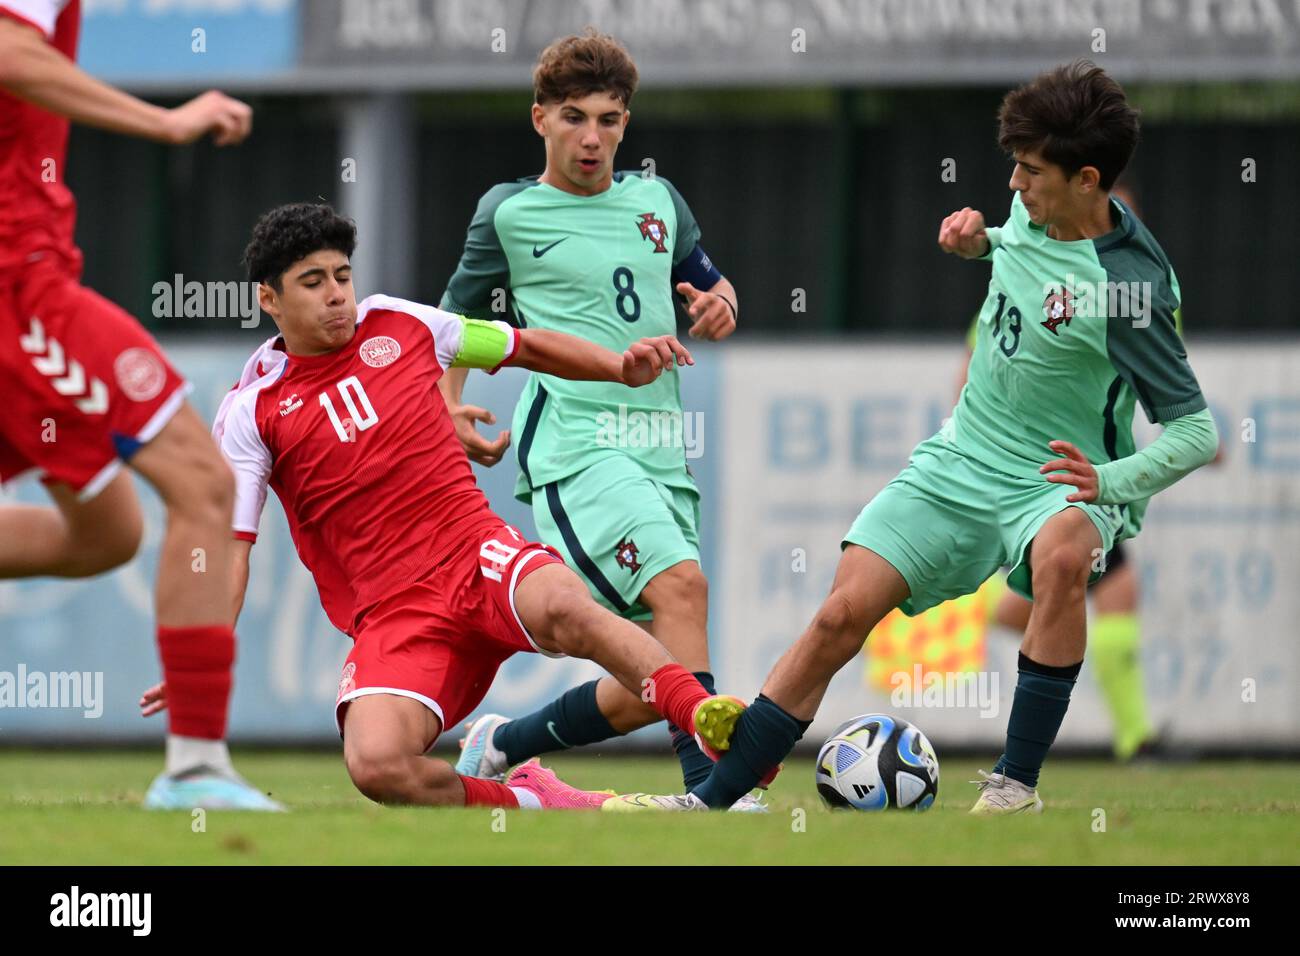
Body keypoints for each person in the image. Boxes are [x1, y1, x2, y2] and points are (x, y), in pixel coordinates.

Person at [609, 60, 1219, 814]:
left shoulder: (1133, 289)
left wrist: (1112, 481)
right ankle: (716, 801)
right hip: (962, 456)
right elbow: (1023, 256)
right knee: (839, 615)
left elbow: (1195, 429)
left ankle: (1013, 788)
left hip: (1060, 480)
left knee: (1064, 556)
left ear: (1087, 179)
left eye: (1030, 172)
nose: (1015, 187)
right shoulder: (1031, 214)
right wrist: (980, 245)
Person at [143, 202, 746, 810]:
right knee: (378, 766)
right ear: (269, 300)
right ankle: (551, 803)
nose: (336, 295)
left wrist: (618, 368)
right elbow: (229, 548)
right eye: (312, 282)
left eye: (342, 275)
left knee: (569, 607)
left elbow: (523, 346)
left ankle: (705, 719)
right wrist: (202, 650)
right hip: (392, 612)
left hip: (473, 554)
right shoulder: (251, 409)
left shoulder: (401, 323)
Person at [439, 31, 753, 806]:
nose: (593, 138)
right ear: (539, 117)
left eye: (610, 120)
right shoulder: (508, 212)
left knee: (651, 676)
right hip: (576, 445)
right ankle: (713, 792)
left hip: (659, 447)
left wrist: (720, 306)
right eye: (575, 117)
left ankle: (502, 742)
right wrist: (447, 406)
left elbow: (715, 287)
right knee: (684, 588)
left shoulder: (658, 202)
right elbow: (449, 325)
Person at [0, 0, 278, 809]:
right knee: (202, 482)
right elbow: (12, 56)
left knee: (105, 533)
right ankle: (195, 772)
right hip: (22, 295)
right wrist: (164, 123)